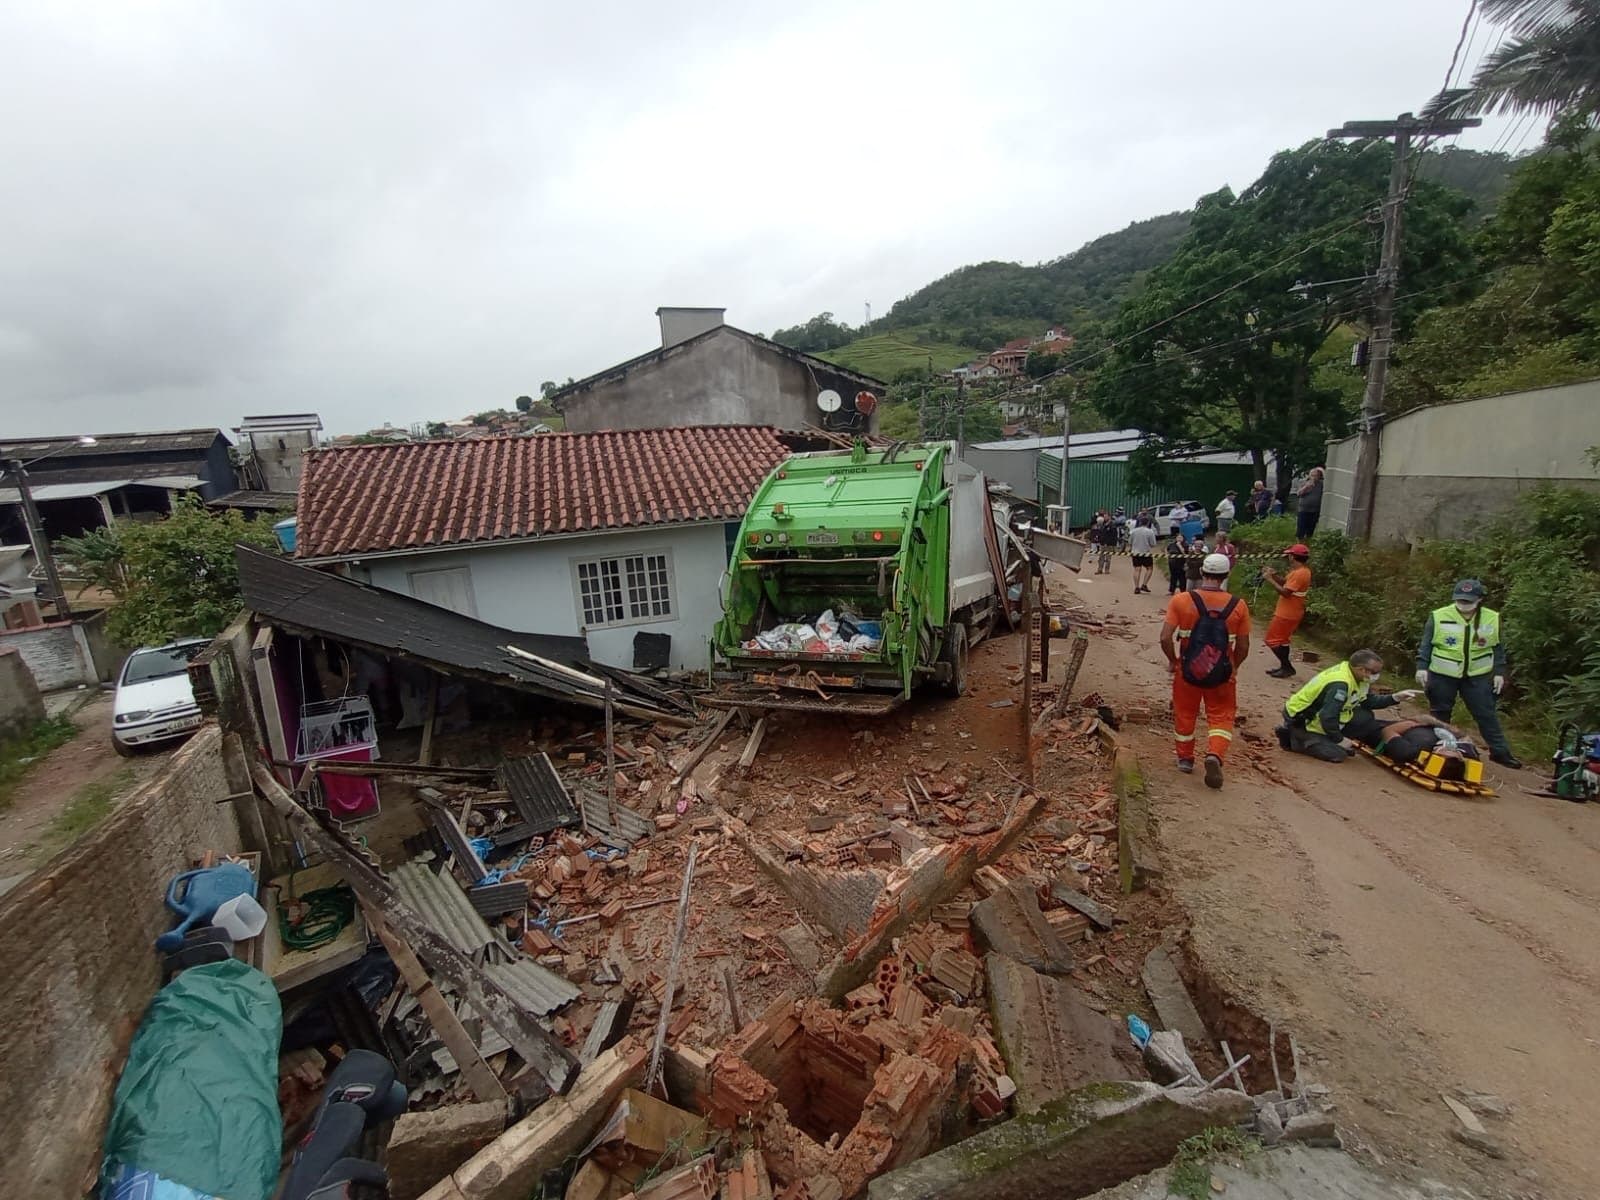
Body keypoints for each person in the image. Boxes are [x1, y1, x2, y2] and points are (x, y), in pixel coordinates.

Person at [1160, 552, 1251, 789]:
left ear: (1202, 572)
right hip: (1222, 673)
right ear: (1226, 575)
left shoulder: (1181, 600)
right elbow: (1243, 646)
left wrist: (1173, 661)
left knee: (1185, 713)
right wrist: (1234, 667)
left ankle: (1185, 759)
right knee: (1221, 715)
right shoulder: (1239, 605)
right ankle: (1215, 754)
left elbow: (1165, 637)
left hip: (1187, 671)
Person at [1414, 579, 1522, 768]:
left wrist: (1499, 672)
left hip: (1477, 675)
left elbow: (1497, 647)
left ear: (1479, 599)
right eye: (1460, 600)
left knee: (1486, 714)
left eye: (1468, 601)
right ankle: (1437, 748)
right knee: (1440, 714)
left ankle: (1500, 752)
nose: (1463, 604)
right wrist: (1422, 666)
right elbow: (1426, 644)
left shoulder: (1492, 618)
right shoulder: (1439, 616)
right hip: (1443, 673)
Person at [1277, 649, 1416, 762]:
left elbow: (1368, 701)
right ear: (1362, 669)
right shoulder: (1340, 684)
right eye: (1375, 672)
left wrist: (1395, 697)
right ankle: (1295, 739)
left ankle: (1319, 738)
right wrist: (1339, 739)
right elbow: (1327, 716)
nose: (1377, 675)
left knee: (1364, 718)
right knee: (1337, 755)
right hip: (1302, 718)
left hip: (1322, 714)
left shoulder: (1358, 677)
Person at [1261, 544, 1312, 678]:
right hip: (1291, 612)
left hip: (1287, 613)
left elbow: (1286, 592)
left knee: (1271, 640)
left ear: (1292, 557)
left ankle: (1287, 667)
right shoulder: (1300, 571)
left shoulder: (1299, 573)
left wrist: (1270, 580)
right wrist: (1274, 575)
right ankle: (1284, 667)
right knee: (1283, 641)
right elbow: (1286, 583)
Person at [1128, 514, 1159, 594]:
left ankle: (1136, 587)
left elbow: (1129, 542)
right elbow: (1153, 544)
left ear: (1140, 522)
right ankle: (1144, 584)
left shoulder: (1134, 531)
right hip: (1146, 553)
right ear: (1148, 523)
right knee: (1149, 568)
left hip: (1135, 552)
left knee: (1137, 569)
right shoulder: (1150, 531)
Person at [1295, 467, 1324, 540]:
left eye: (1315, 475)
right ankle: (1300, 542)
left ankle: (1308, 541)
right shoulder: (1304, 482)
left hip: (1315, 510)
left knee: (1311, 528)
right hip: (1303, 509)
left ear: (1319, 476)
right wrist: (1306, 487)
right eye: (1312, 475)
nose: (1313, 477)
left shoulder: (1321, 484)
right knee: (1301, 528)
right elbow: (1298, 494)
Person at [1165, 526, 1188, 596]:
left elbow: (1184, 553)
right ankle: (1171, 590)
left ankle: (1183, 591)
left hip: (1181, 563)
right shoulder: (1172, 544)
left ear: (1183, 538)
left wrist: (1179, 546)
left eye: (1181, 537)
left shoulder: (1185, 545)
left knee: (1182, 577)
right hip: (1172, 563)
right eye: (1178, 537)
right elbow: (1167, 549)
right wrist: (1167, 555)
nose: (1179, 539)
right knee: (1173, 577)